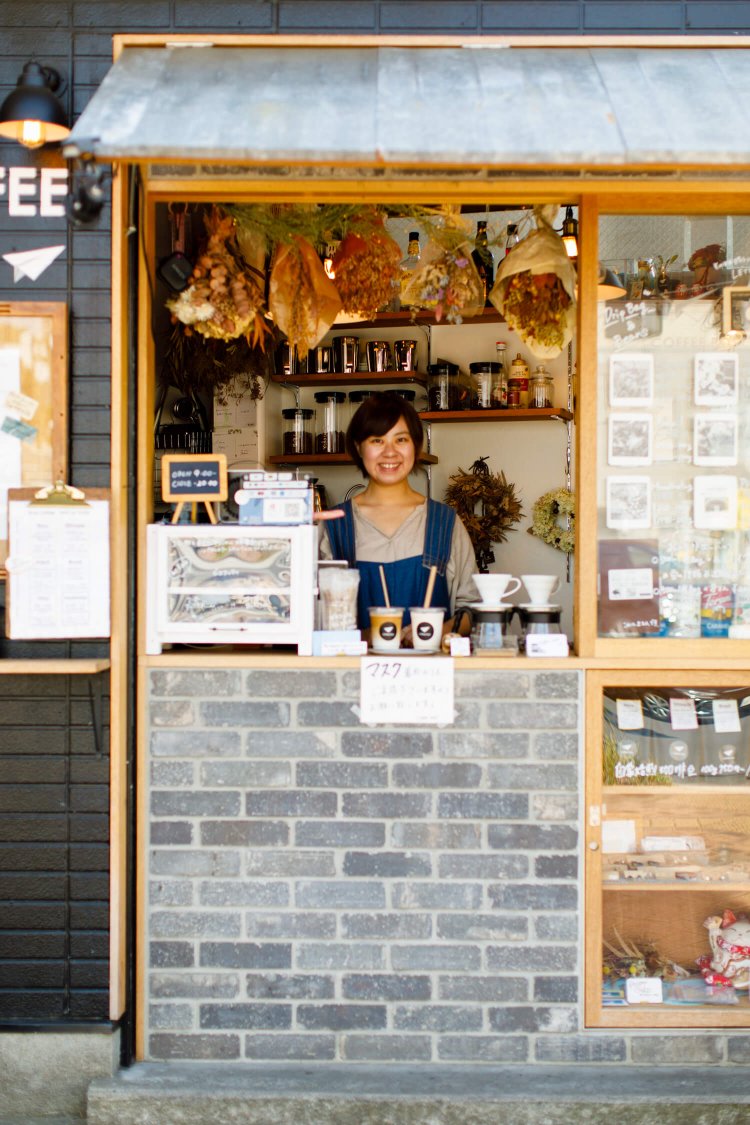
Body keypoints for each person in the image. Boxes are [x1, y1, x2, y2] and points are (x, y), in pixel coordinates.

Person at [321, 390, 477, 643]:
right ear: (358, 447)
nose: (390, 452)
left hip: (432, 666)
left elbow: (472, 608)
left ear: (416, 445)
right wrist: (363, 637)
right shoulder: (333, 525)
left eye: (401, 439)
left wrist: (438, 632)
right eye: (377, 440)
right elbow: (312, 614)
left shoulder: (445, 522)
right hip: (353, 667)